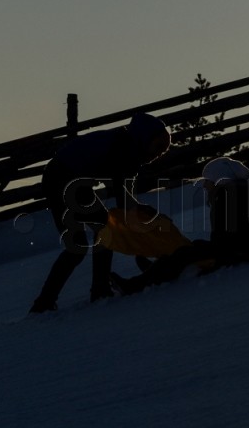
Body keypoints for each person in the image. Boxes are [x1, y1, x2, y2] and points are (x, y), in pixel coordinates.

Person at [28, 113, 171, 313]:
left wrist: (138, 211)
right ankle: (61, 299)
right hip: (61, 179)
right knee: (85, 241)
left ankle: (86, 292)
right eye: (158, 147)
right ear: (144, 139)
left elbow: (125, 198)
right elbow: (123, 201)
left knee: (99, 232)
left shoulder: (129, 146)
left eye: (164, 150)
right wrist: (142, 224)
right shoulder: (125, 150)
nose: (159, 154)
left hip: (68, 179)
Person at [108, 156, 249, 295]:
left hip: (234, 252)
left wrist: (219, 252)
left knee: (183, 254)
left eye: (207, 181)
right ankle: (156, 270)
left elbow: (227, 237)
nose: (204, 186)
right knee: (189, 249)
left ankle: (136, 284)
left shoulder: (228, 197)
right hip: (240, 248)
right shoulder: (240, 193)